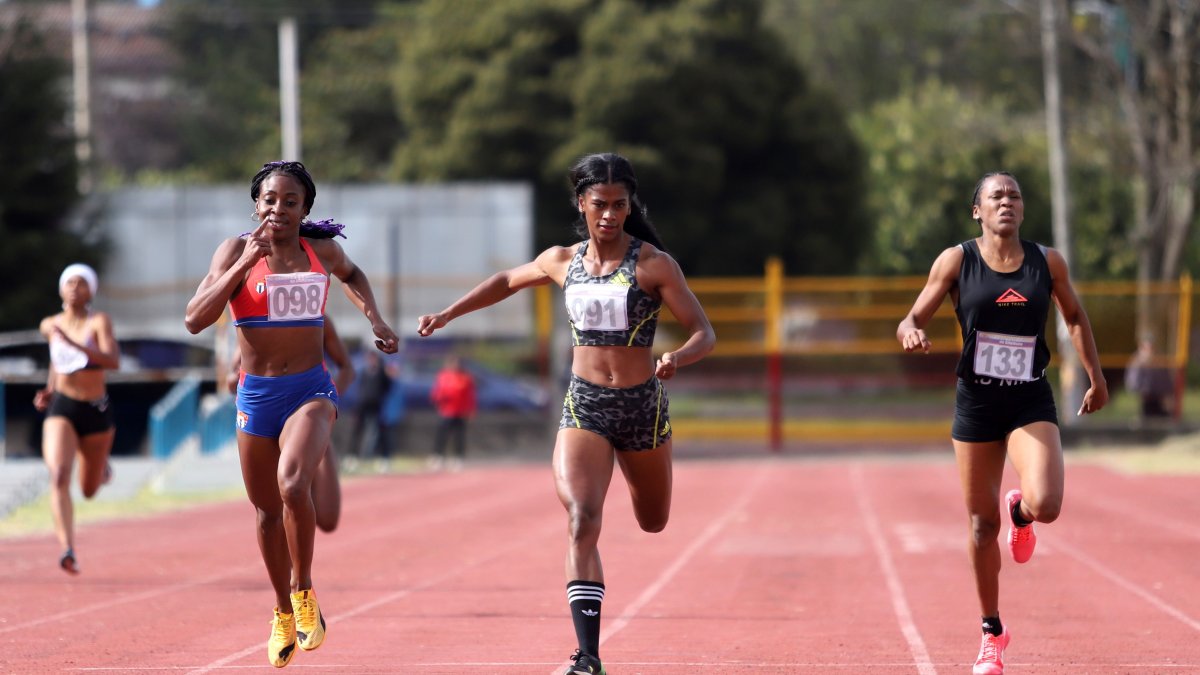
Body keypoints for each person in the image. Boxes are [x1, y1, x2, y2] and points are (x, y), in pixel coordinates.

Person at [417, 152, 715, 675]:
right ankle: (588, 655)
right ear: (582, 203)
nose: (609, 215)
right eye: (599, 204)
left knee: (653, 521)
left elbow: (704, 332)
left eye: (620, 205)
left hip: (641, 407)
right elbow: (506, 280)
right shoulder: (561, 259)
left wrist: (677, 357)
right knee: (582, 519)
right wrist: (447, 314)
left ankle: (592, 642)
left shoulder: (653, 265)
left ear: (629, 207)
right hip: (586, 404)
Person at [184, 161, 399, 668]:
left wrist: (375, 317)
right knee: (264, 514)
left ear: (305, 209)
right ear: (255, 204)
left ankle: (304, 591)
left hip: (311, 389)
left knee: (293, 484)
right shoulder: (234, 251)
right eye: (270, 200)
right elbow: (195, 319)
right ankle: (281, 609)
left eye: (290, 201)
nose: (278, 209)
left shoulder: (318, 251)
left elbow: (353, 273)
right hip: (257, 394)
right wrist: (242, 266)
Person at [896, 171, 1108, 675]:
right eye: (996, 196)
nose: (1007, 202)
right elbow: (912, 317)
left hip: (1029, 397)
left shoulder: (1046, 261)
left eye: (1015, 195)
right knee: (979, 525)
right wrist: (910, 333)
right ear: (978, 211)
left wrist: (1096, 379)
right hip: (977, 402)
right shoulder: (956, 261)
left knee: (1049, 505)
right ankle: (992, 632)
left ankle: (1024, 516)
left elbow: (1074, 317)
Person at [225, 314, 355, 533]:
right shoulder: (255, 320)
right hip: (267, 423)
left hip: (310, 417)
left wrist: (324, 404)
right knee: (275, 509)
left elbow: (347, 369)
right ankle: (293, 564)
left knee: (327, 517)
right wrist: (255, 382)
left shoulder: (317, 317)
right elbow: (231, 378)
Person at [33, 263, 121, 575]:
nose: (74, 287)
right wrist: (48, 389)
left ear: (91, 291)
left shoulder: (98, 322)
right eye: (69, 282)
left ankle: (101, 466)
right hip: (63, 406)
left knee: (88, 490)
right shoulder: (50, 324)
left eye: (82, 283)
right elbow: (59, 361)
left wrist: (75, 344)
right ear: (60, 289)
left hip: (95, 410)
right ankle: (67, 548)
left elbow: (113, 361)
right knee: (58, 475)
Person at [429, 355, 476, 471]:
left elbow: (470, 396)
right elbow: (437, 392)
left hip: (460, 411)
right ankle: (438, 457)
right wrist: (438, 399)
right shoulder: (443, 376)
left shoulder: (465, 378)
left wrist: (470, 410)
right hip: (446, 411)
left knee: (459, 437)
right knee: (442, 436)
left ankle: (458, 459)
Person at [347, 349, 394, 465]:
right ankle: (352, 457)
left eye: (374, 358)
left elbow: (388, 387)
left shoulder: (382, 373)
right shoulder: (364, 372)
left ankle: (385, 458)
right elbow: (360, 388)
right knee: (357, 430)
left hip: (377, 404)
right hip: (363, 404)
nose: (372, 361)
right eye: (370, 358)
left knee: (381, 430)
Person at [1124, 335, 1173, 422]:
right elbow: (1132, 384)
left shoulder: (1159, 362)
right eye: (1147, 348)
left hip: (1158, 400)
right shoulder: (1136, 362)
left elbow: (1167, 385)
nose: (1150, 351)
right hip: (1143, 400)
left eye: (1152, 348)